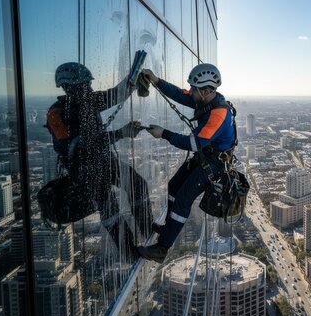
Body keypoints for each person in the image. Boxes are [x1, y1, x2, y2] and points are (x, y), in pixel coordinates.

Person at [46, 62, 151, 260]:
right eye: (85, 85)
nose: (90, 88)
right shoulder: (57, 114)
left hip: (103, 160)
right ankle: (129, 252)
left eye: (88, 85)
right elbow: (81, 146)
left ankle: (147, 230)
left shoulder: (89, 101)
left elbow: (116, 94)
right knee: (109, 208)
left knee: (137, 183)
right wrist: (121, 133)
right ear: (69, 87)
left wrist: (133, 79)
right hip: (84, 169)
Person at [136, 63, 235, 263]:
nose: (191, 92)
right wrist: (155, 80)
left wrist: (163, 134)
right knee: (173, 186)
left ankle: (162, 248)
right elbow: (180, 94)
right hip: (206, 157)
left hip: (214, 163)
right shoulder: (208, 100)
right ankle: (167, 228)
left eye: (194, 89)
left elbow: (194, 143)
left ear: (206, 91)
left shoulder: (218, 114)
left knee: (183, 199)